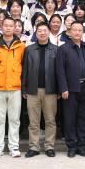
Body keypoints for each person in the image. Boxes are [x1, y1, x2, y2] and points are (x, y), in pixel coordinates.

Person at [0, 17, 26, 158]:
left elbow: (23, 65)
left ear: (15, 28)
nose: (8, 28)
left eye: (11, 26)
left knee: (14, 119)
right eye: (6, 25)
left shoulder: (21, 46)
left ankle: (14, 147)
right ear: (1, 27)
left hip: (15, 88)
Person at [22, 23, 59, 158]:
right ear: (36, 33)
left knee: (50, 120)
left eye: (45, 30)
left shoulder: (56, 50)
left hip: (51, 90)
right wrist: (24, 88)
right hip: (33, 90)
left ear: (49, 32)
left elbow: (59, 72)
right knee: (33, 121)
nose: (42, 33)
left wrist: (59, 90)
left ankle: (49, 146)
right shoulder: (29, 49)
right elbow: (25, 70)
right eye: (39, 31)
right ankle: (34, 147)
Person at [56, 21, 85, 157]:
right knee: (70, 118)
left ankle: (81, 146)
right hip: (70, 89)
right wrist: (63, 88)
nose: (77, 32)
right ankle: (71, 146)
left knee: (83, 118)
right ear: (70, 32)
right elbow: (60, 70)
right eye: (74, 30)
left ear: (83, 32)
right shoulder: (63, 49)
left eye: (80, 30)